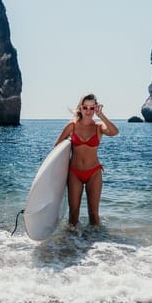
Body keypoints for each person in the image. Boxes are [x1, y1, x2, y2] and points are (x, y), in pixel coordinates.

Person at [54, 93, 119, 226]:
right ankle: (72, 244)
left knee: (94, 214)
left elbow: (114, 132)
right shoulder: (71, 126)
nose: (88, 111)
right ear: (80, 108)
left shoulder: (98, 127)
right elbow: (57, 148)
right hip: (74, 173)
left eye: (92, 108)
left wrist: (102, 116)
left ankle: (97, 244)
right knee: (73, 213)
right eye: (85, 107)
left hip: (94, 173)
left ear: (96, 108)